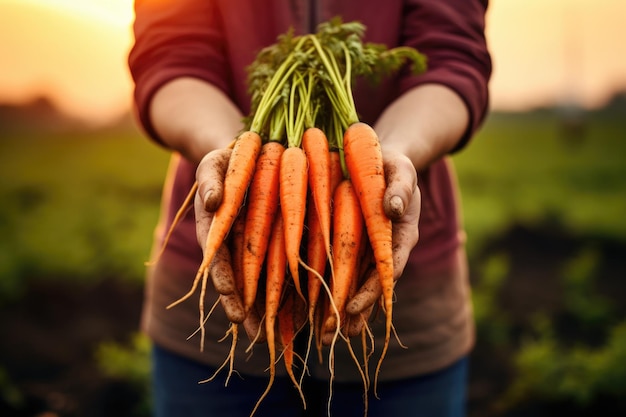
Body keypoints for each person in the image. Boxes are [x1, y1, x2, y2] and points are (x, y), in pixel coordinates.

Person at [128, 1, 492, 416]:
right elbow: (171, 55)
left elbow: (452, 57)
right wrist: (230, 154)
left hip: (411, 308)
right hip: (214, 305)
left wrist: (391, 154)